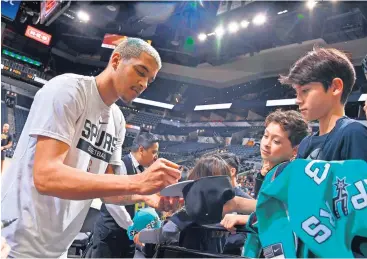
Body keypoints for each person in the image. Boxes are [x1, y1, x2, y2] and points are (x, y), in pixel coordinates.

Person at [1, 38, 181, 258]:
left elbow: (110, 194)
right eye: (140, 71)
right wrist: (138, 182)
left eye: (149, 80)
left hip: (57, 248)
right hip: (14, 242)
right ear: (116, 60)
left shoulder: (117, 120)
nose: (144, 84)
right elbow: (45, 176)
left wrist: (149, 197)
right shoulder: (68, 90)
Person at [220, 109, 309, 233]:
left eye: (276, 141)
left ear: (295, 151)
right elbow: (264, 207)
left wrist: (247, 219)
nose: (266, 143)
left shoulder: (297, 177)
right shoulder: (268, 173)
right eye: (266, 136)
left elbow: (295, 219)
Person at [279, 47, 367, 161]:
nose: (298, 100)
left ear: (335, 87)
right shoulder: (306, 143)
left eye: (305, 91)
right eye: (297, 93)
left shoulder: (353, 133)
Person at [91, 132, 160, 258]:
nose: (156, 157)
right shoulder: (120, 165)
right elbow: (113, 203)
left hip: (129, 235)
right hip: (110, 234)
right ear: (141, 150)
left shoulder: (145, 172)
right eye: (154, 152)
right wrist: (132, 229)